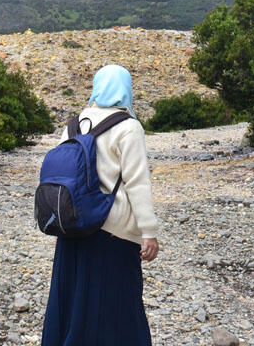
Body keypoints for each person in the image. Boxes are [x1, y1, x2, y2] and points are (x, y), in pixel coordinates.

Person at [42, 64, 160, 346]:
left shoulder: (75, 123)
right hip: (114, 231)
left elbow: (62, 178)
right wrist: (148, 231)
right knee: (117, 305)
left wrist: (59, 228)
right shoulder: (128, 127)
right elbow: (137, 182)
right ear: (126, 90)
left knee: (71, 302)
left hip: (73, 226)